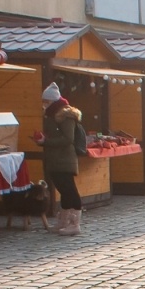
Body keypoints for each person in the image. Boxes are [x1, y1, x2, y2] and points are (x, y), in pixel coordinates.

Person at [40, 82, 88, 237]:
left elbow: (68, 138)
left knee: (69, 191)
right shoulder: (52, 115)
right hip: (56, 159)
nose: (44, 104)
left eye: (46, 101)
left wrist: (46, 142)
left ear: (52, 101)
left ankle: (74, 224)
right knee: (64, 190)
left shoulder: (65, 115)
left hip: (64, 160)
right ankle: (64, 222)